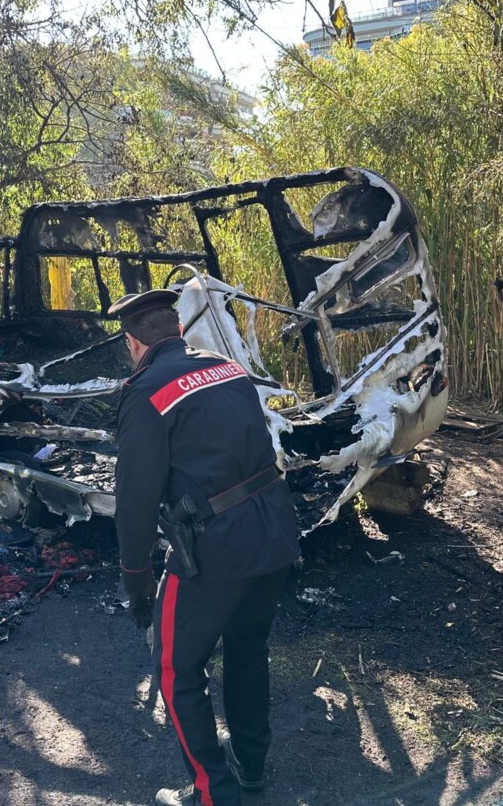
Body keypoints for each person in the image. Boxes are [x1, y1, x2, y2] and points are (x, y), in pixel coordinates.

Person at [109, 288, 301, 806]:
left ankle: (214, 794)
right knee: (247, 650)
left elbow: (135, 498)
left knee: (176, 668)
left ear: (134, 343)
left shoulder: (145, 390)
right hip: (275, 532)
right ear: (176, 330)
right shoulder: (227, 367)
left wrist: (136, 576)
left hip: (216, 550)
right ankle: (251, 770)